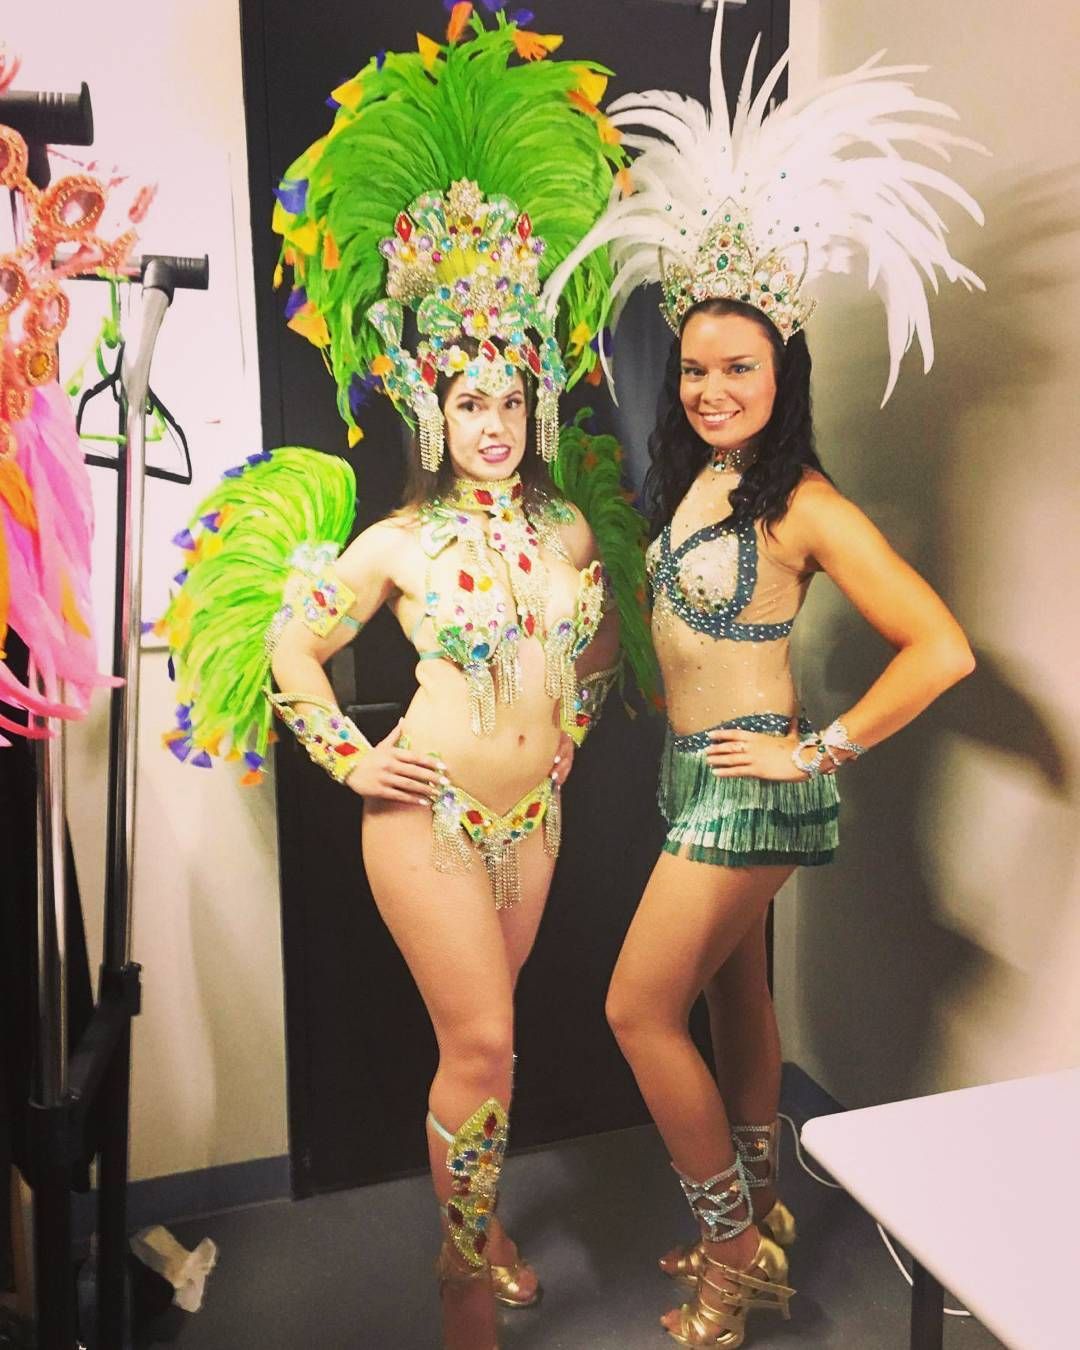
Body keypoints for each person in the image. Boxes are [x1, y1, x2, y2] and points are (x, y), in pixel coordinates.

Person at [160, 9, 652, 1348]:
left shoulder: (567, 528)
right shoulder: (396, 540)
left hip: (534, 821)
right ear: (432, 404)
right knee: (483, 1045)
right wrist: (353, 757)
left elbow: (602, 643)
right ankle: (460, 1288)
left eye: (511, 399)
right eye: (470, 401)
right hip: (424, 821)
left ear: (535, 400)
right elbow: (290, 647)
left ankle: (485, 1233)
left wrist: (572, 727)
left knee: (486, 1047)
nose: (494, 423)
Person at [544, 10, 983, 1346]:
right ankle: (767, 1199)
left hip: (756, 787)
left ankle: (735, 1254)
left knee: (636, 1006)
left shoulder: (804, 500)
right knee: (737, 994)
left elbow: (943, 646)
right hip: (693, 775)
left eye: (738, 367)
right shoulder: (693, 482)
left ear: (780, 371)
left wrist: (820, 746)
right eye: (694, 368)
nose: (712, 387)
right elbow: (658, 632)